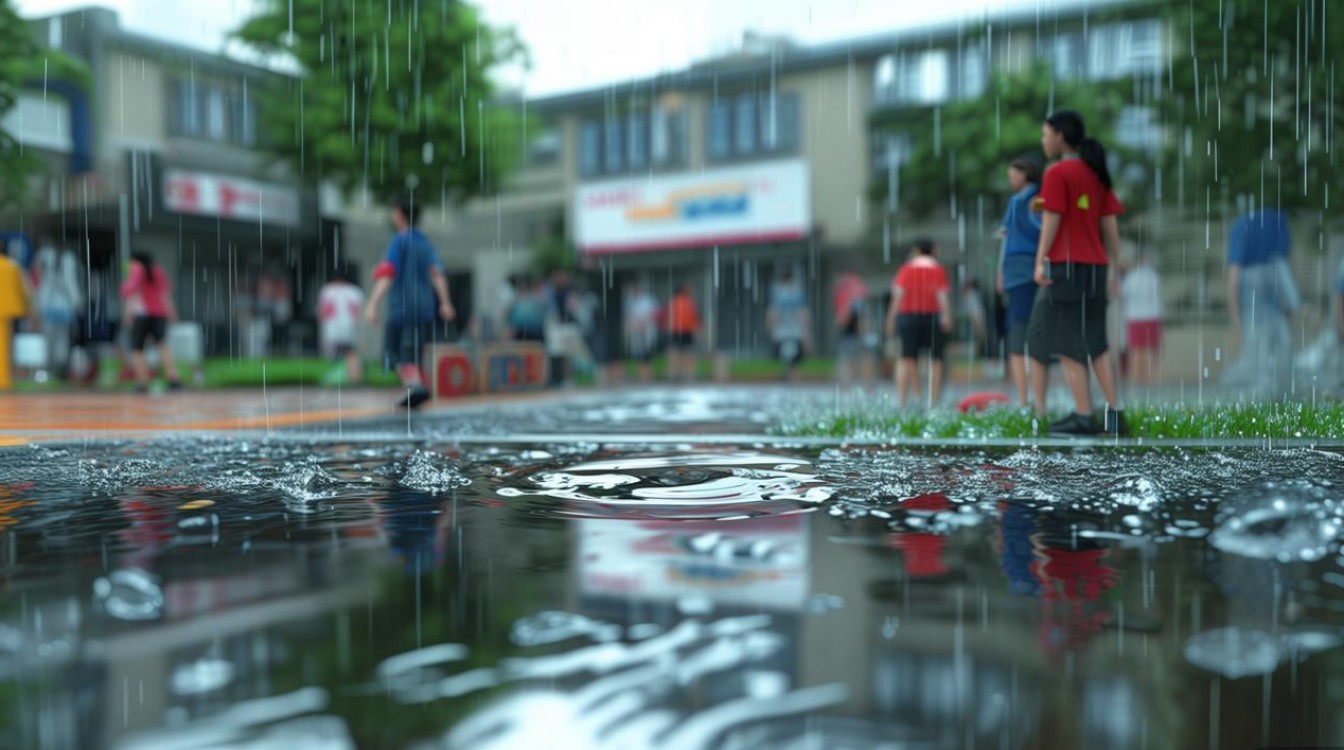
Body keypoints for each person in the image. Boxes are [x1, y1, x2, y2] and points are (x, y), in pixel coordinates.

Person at [1027, 110, 1125, 435]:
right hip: (1096, 266)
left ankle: (1084, 414)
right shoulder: (1096, 172)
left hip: (1065, 267)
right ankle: (1115, 414)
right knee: (1097, 341)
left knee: (1068, 342)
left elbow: (1053, 218)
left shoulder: (1057, 172)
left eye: (1045, 134)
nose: (1043, 140)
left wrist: (1041, 259)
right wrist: (1116, 261)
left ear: (1059, 136)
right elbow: (1109, 222)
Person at [364, 199, 455, 409]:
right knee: (412, 351)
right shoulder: (425, 243)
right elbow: (437, 273)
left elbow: (388, 272)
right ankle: (416, 389)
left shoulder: (399, 240)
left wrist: (372, 303)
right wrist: (445, 302)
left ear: (398, 213)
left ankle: (416, 387)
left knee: (394, 353)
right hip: (424, 309)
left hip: (401, 307)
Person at [1223, 207, 1300, 396]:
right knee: (1280, 352)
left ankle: (1256, 397)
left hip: (1253, 292)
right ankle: (1279, 397)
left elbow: (1235, 273)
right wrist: (1292, 308)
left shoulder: (1242, 225)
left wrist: (1236, 318)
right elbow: (1286, 269)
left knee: (1256, 356)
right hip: (1275, 285)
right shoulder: (1279, 222)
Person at [997, 156, 1044, 408]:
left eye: (1013, 173)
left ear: (1025, 173)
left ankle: (1033, 400)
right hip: (1015, 273)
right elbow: (1005, 238)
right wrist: (1000, 271)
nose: (1010, 178)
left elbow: (1040, 229)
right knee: (1018, 334)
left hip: (1027, 270)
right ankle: (1026, 399)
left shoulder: (1036, 199)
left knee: (1026, 334)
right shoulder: (1015, 201)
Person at [884, 238, 952, 409]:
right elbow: (942, 296)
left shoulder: (906, 269)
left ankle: (916, 393)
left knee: (908, 357)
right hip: (933, 317)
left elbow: (898, 296)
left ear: (916, 250)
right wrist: (947, 316)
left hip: (909, 316)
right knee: (936, 359)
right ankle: (933, 399)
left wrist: (890, 319)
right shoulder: (937, 269)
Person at [120, 252, 183, 393]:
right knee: (162, 345)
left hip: (141, 315)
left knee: (138, 349)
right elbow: (164, 294)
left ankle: (142, 382)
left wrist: (127, 313)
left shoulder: (136, 270)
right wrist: (172, 314)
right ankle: (173, 378)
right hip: (158, 314)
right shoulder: (157, 271)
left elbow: (131, 292)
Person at [32, 239, 83, 380]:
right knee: (61, 341)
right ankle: (59, 371)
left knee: (49, 341)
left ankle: (49, 371)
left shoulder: (44, 257)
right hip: (63, 307)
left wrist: (37, 307)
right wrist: (77, 302)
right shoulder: (67, 259)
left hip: (48, 306)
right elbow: (71, 283)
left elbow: (40, 286)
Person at [1119, 250, 1163, 385]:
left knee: (1138, 353)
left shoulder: (1132, 277)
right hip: (1150, 318)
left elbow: (1121, 293)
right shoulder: (1153, 276)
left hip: (1136, 319)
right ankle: (1151, 382)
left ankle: (1139, 384)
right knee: (1150, 354)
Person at [317, 267, 366, 384]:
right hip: (349, 326)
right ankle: (354, 377)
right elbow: (358, 312)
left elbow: (322, 312)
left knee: (333, 355)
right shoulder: (355, 291)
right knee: (350, 353)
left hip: (331, 327)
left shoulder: (327, 290)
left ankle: (337, 378)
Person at [767, 267, 811, 382]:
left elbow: (773, 314)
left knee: (786, 361)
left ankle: (788, 380)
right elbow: (804, 315)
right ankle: (795, 382)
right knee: (795, 363)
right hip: (795, 332)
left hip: (782, 333)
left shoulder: (777, 292)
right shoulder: (797, 292)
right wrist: (807, 335)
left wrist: (771, 329)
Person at [0, 251, 34, 391]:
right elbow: (26, 288)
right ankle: (4, 378)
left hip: (7, 308)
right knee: (6, 346)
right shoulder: (12, 264)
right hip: (9, 308)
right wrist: (28, 307)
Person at [832, 272, 873, 388]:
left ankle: (860, 383)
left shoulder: (853, 292)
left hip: (854, 331)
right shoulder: (848, 291)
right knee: (855, 357)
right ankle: (860, 383)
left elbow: (860, 317)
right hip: (851, 330)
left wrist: (864, 331)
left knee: (858, 357)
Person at [623, 279, 660, 383]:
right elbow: (627, 316)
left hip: (647, 332)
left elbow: (655, 315)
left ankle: (648, 376)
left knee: (647, 355)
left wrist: (644, 322)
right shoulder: (631, 301)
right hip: (635, 332)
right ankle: (640, 376)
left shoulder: (649, 300)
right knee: (638, 355)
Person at [665, 283, 701, 382]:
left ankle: (672, 374)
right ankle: (689, 375)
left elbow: (668, 318)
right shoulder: (689, 302)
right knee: (688, 353)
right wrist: (696, 329)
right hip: (687, 331)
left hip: (675, 330)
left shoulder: (672, 302)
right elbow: (694, 318)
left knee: (674, 353)